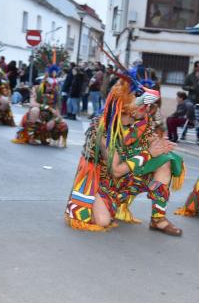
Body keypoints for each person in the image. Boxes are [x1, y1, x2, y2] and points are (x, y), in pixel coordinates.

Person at [65, 68, 186, 235]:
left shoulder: (141, 121)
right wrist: (148, 153)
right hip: (102, 178)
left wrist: (161, 145)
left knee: (164, 161)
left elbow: (152, 141)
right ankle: (105, 203)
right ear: (125, 108)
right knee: (102, 221)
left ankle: (158, 219)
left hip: (126, 174)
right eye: (142, 103)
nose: (147, 107)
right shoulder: (103, 129)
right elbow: (115, 171)